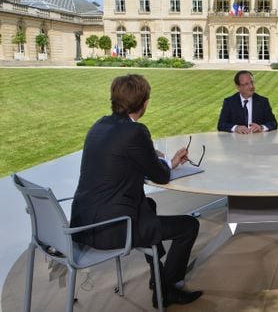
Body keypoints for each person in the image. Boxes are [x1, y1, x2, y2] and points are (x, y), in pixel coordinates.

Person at [70, 74, 202, 308]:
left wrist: (150, 157)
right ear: (145, 103)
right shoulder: (136, 132)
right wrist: (169, 162)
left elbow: (119, 161)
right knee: (189, 226)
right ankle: (168, 289)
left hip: (84, 220)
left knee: (148, 207)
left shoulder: (100, 125)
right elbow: (161, 176)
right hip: (111, 227)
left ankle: (157, 277)